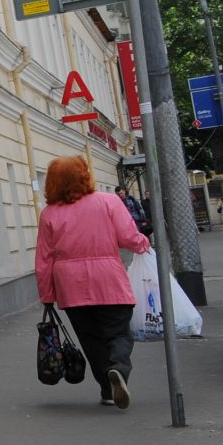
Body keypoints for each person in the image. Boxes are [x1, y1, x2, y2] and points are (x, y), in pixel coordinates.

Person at [36, 156, 149, 408]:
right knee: (118, 332)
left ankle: (108, 391)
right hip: (108, 277)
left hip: (70, 284)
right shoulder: (109, 201)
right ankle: (118, 367)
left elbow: (44, 258)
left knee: (90, 338)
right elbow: (128, 236)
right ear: (85, 175)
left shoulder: (49, 214)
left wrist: (47, 295)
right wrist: (144, 244)